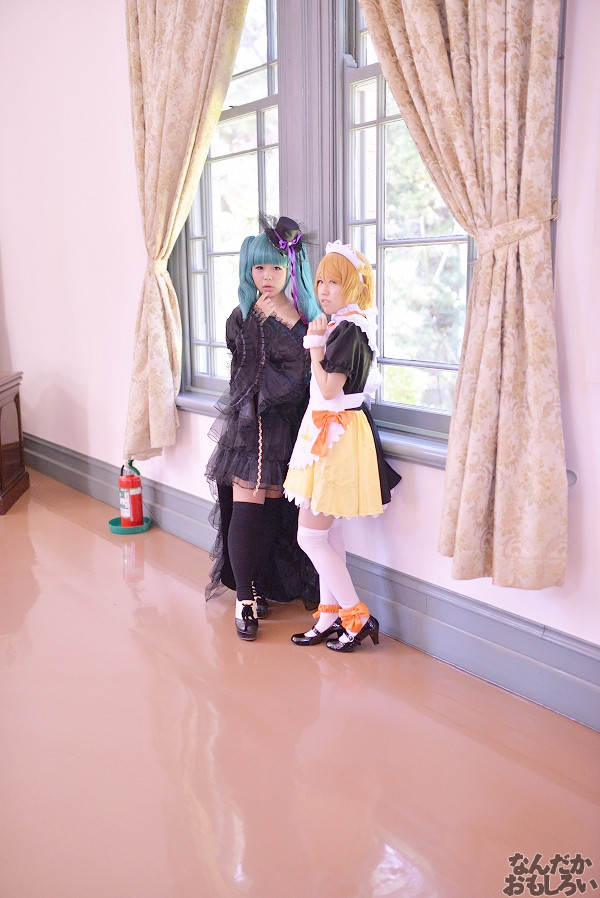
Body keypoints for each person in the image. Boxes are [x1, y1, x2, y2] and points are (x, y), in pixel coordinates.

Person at [205, 214, 321, 641]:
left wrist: (288, 322)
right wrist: (263, 321)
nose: (267, 276)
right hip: (252, 425)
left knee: (273, 505)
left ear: (291, 267)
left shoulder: (306, 316)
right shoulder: (241, 316)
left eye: (275, 266)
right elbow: (243, 376)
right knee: (248, 501)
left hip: (292, 427)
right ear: (247, 270)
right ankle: (244, 600)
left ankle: (259, 585)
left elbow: (310, 373)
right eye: (258, 267)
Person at [284, 241, 401, 652]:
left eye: (334, 282)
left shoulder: (349, 329)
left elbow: (330, 388)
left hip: (336, 435)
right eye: (320, 281)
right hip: (330, 433)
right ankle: (330, 616)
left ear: (352, 285)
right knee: (328, 535)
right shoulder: (344, 325)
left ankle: (356, 615)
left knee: (310, 538)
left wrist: (314, 347)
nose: (323, 290)